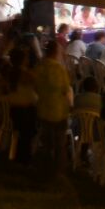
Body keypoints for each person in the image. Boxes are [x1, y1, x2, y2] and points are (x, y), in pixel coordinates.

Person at [32, 40, 72, 174]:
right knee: (60, 144)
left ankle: (46, 169)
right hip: (59, 111)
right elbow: (66, 89)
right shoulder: (58, 69)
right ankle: (59, 171)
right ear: (56, 52)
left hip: (43, 110)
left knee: (47, 143)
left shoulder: (39, 67)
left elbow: (35, 87)